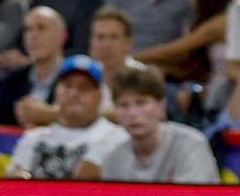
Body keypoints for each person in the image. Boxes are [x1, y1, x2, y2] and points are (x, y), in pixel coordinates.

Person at [89, 58, 219, 182]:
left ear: (161, 106)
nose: (133, 113)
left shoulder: (191, 144)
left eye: (141, 103)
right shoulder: (113, 159)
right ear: (116, 113)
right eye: (124, 105)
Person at [6, 57, 128, 179]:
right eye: (67, 85)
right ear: (56, 91)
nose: (74, 93)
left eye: (84, 87)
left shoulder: (116, 138)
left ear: (100, 96)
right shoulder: (33, 138)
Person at [0, 4, 70, 125]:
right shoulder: (13, 80)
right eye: (27, 29)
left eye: (41, 28)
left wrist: (49, 115)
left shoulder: (76, 77)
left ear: (63, 36)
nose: (33, 35)